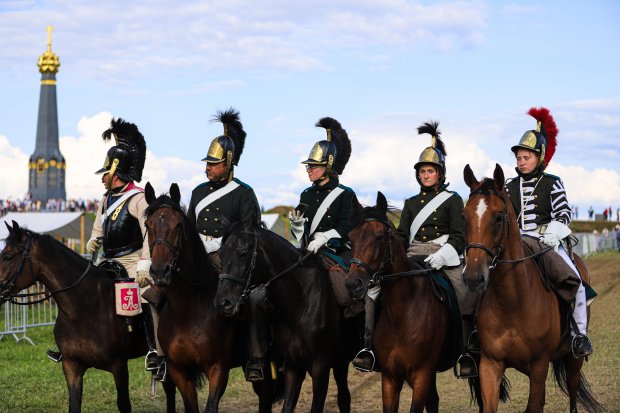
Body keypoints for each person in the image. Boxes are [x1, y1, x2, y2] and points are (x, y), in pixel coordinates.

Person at [352, 121, 479, 377]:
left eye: (430, 171)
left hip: (445, 256)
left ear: (440, 173)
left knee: (464, 292)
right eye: (422, 171)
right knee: (373, 291)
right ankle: (368, 348)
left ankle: (466, 352)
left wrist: (442, 255)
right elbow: (401, 236)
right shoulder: (410, 203)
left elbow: (458, 235)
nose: (425, 175)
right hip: (413, 257)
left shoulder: (453, 199)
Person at [46, 118, 164, 377]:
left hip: (134, 261)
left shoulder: (139, 198)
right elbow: (100, 226)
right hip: (108, 262)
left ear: (117, 174)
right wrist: (94, 239)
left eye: (105, 175)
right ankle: (68, 346)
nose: (103, 179)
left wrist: (145, 264)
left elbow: (148, 234)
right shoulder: (106, 199)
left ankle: (156, 351)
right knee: (78, 292)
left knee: (148, 298)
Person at [506, 107, 593, 358]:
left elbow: (564, 213)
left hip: (547, 241)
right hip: (517, 243)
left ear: (540, 157)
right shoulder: (509, 186)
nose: (521, 162)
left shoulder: (552, 182)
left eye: (527, 158)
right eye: (519, 158)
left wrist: (554, 232)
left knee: (574, 281)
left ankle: (579, 336)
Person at [186, 108, 261, 380]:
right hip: (199, 257)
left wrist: (219, 244)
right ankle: (161, 354)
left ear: (227, 163)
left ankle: (255, 356)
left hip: (229, 260)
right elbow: (189, 227)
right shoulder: (197, 192)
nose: (207, 167)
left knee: (255, 300)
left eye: (213, 163)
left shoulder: (244, 193)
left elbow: (250, 234)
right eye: (207, 162)